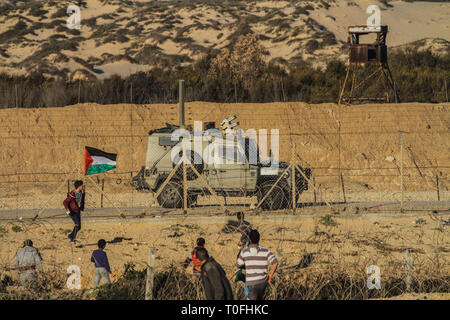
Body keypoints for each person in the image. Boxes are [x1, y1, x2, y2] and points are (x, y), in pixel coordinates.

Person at [236, 229, 278, 300]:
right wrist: (270, 275)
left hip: (251, 284)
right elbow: (275, 262)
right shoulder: (265, 250)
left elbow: (238, 264)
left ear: (250, 240)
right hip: (262, 283)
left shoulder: (245, 251)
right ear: (259, 239)